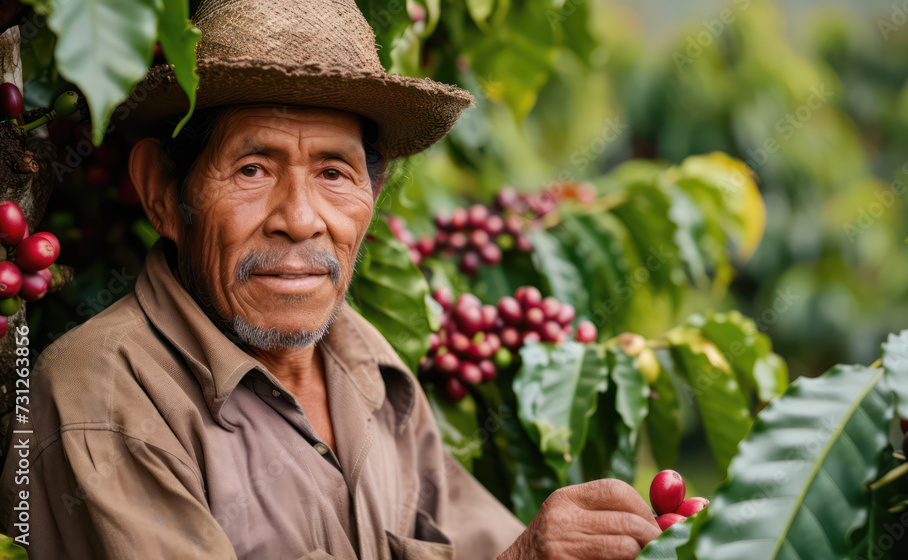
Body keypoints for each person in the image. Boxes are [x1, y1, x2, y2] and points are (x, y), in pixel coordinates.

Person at [0, 0, 661, 558]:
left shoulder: (364, 360)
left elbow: (484, 541)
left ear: (372, 198)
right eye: (253, 168)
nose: (300, 219)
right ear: (164, 194)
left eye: (334, 173)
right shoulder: (103, 409)